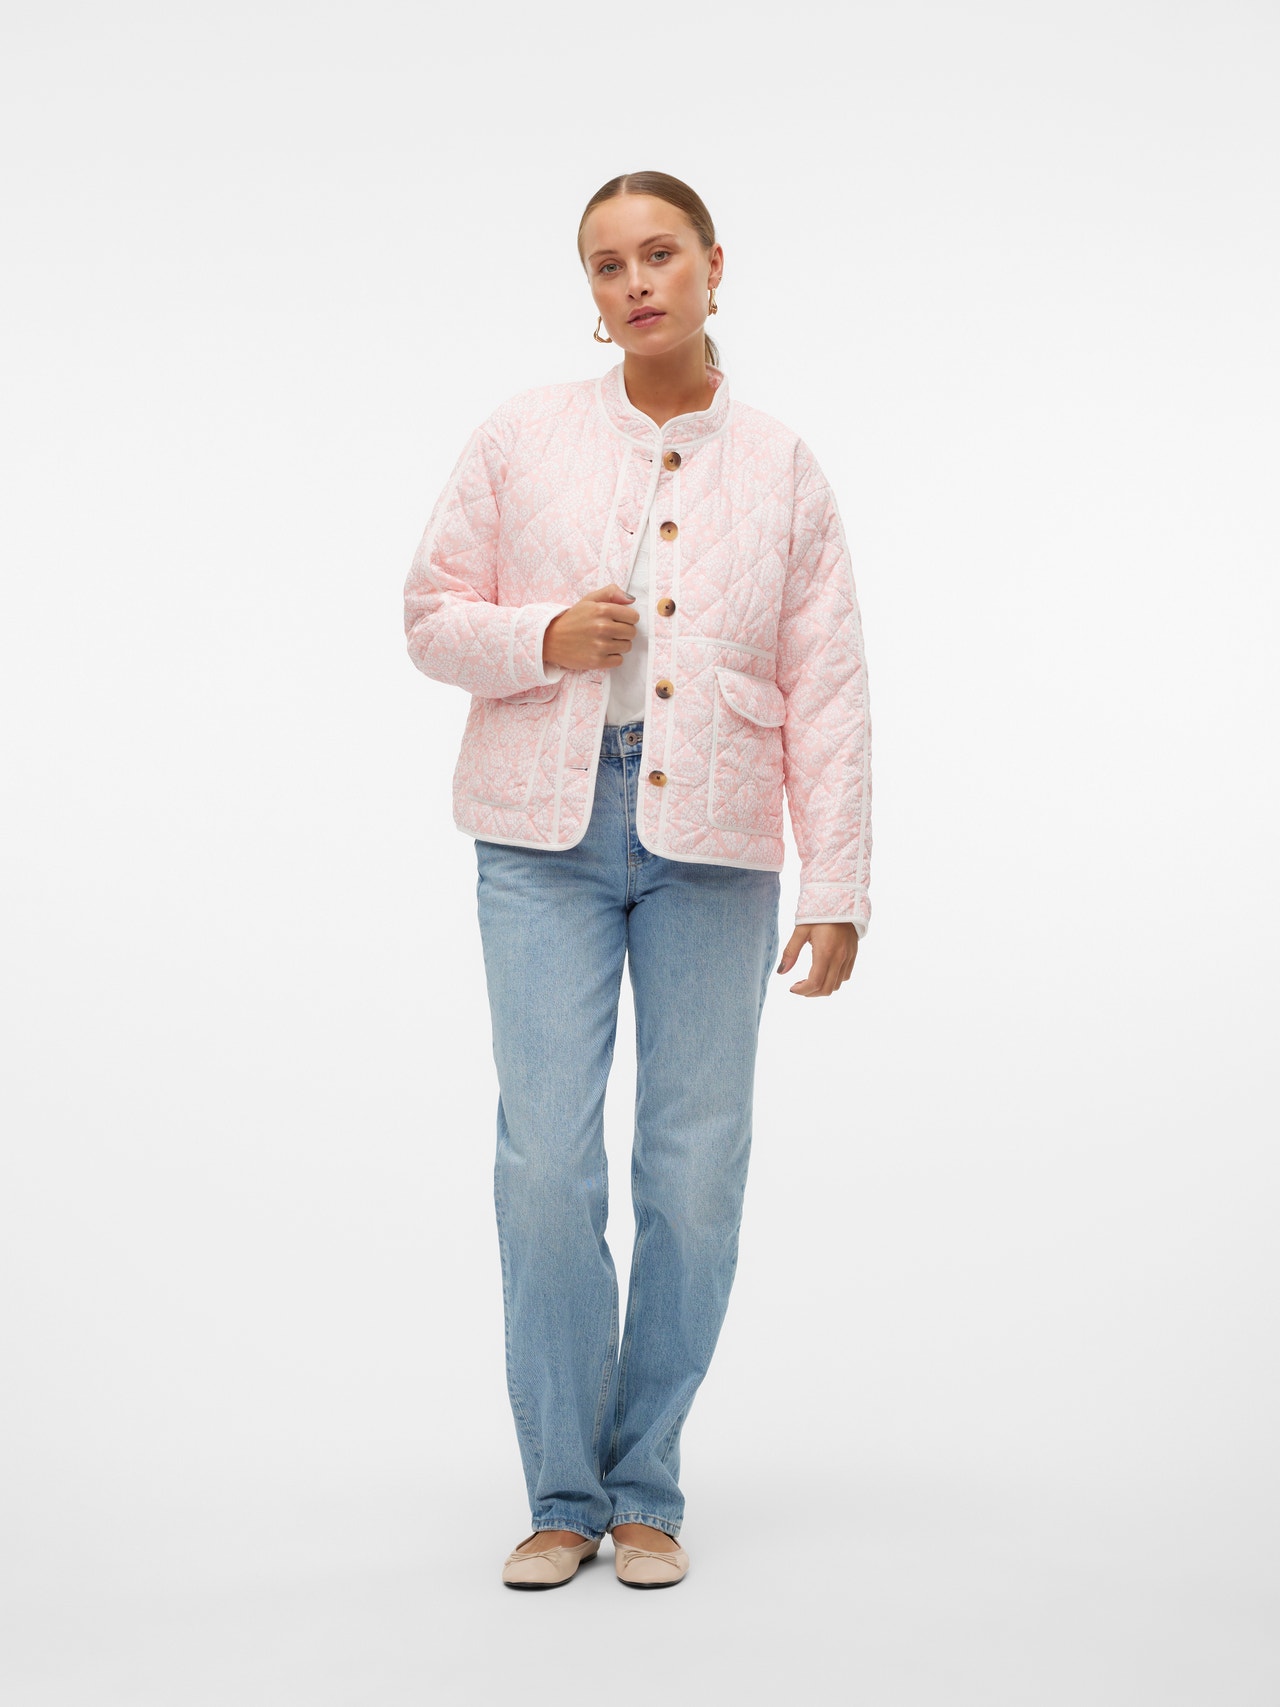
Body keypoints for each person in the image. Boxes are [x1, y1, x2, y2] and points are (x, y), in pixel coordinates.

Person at [402, 170, 873, 1590]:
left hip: (714, 843)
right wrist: (543, 635)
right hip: (537, 839)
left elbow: (829, 684)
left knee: (693, 1174)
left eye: (659, 254)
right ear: (592, 295)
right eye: (607, 266)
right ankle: (562, 1492)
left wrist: (837, 880)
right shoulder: (520, 435)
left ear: (716, 266)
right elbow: (428, 616)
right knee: (545, 1165)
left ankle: (645, 1481)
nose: (635, 283)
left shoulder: (782, 465)